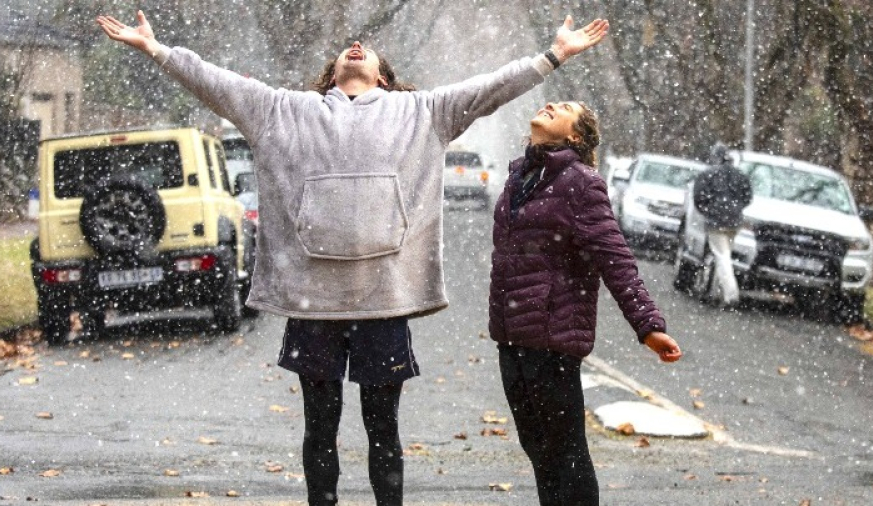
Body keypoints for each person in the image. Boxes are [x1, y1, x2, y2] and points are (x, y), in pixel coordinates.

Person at [97, 10, 610, 506]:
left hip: (382, 304)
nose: (355, 47)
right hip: (313, 305)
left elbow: (489, 88)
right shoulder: (283, 111)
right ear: (332, 75)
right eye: (344, 52)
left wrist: (553, 56)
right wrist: (157, 49)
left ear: (384, 78)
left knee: (382, 427)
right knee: (319, 427)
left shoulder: (423, 113)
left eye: (366, 53)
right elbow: (216, 81)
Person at [488, 101, 683, 506]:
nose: (552, 104)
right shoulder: (521, 174)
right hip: (512, 336)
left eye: (566, 108)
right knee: (539, 450)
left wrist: (648, 325)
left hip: (552, 336)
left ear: (574, 136)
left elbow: (615, 257)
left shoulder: (580, 183)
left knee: (566, 454)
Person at [691, 142, 753, 306]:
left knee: (721, 255)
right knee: (724, 254)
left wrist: (708, 210)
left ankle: (730, 294)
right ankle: (715, 292)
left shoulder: (708, 175)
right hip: (734, 222)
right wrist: (736, 208)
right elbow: (747, 197)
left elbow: (698, 197)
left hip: (716, 221)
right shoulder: (740, 175)